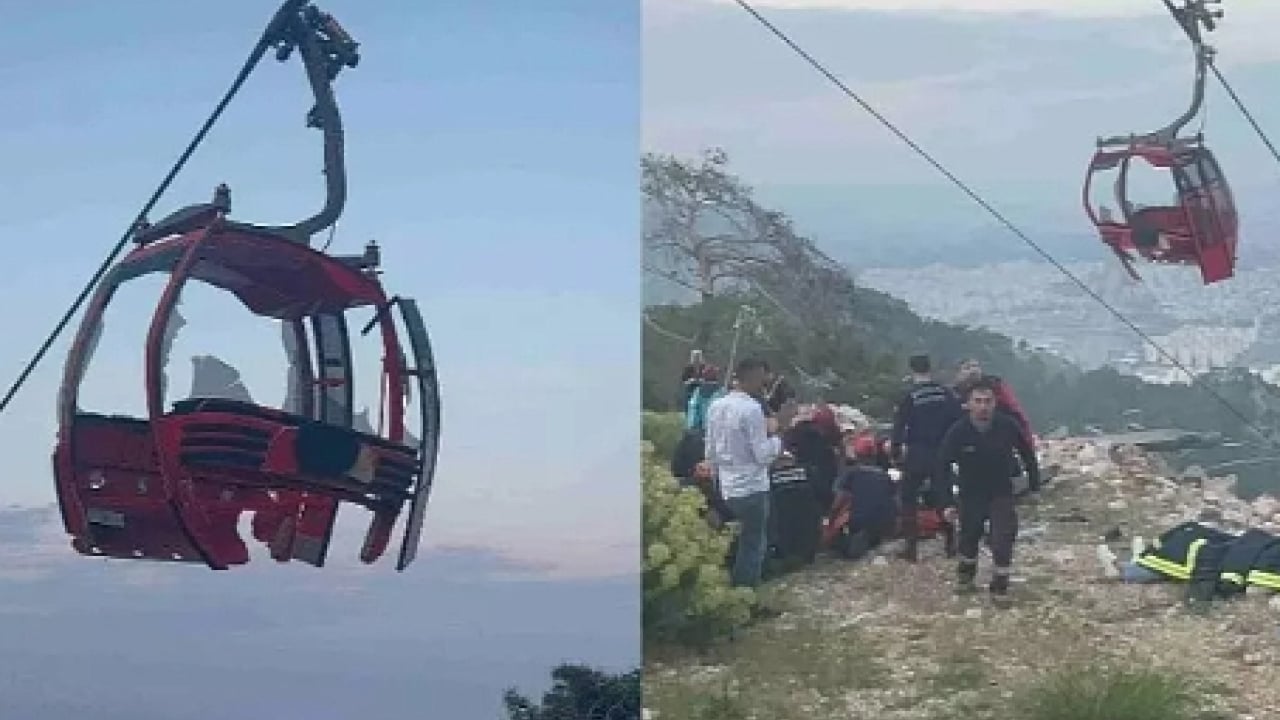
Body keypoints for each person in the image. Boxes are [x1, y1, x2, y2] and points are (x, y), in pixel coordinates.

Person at [936, 377, 1041, 597]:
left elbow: (1027, 454)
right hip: (970, 494)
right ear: (968, 404)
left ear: (995, 403)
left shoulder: (1007, 426)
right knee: (969, 538)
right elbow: (942, 467)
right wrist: (946, 502)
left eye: (988, 401)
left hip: (1001, 492)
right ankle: (965, 578)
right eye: (978, 401)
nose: (983, 406)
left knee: (1003, 538)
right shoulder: (958, 432)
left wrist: (1034, 486)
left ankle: (1000, 586)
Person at [704, 357, 796, 588]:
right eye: (763, 378)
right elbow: (763, 455)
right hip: (752, 486)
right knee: (753, 544)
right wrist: (780, 433)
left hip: (724, 484)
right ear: (754, 377)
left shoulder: (716, 406)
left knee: (727, 540)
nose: (765, 384)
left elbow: (710, 450)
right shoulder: (752, 409)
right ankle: (746, 594)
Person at [890, 354, 963, 561]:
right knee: (944, 496)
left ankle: (911, 548)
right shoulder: (944, 392)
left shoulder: (910, 396)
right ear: (930, 369)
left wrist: (895, 452)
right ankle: (950, 543)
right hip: (942, 451)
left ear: (912, 370)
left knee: (908, 498)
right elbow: (958, 419)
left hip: (917, 453)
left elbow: (899, 426)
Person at [824, 432, 897, 560]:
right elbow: (893, 499)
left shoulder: (851, 474)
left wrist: (830, 520)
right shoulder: (884, 475)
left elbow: (839, 500)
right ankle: (873, 538)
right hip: (886, 523)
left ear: (857, 455)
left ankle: (849, 543)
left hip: (859, 522)